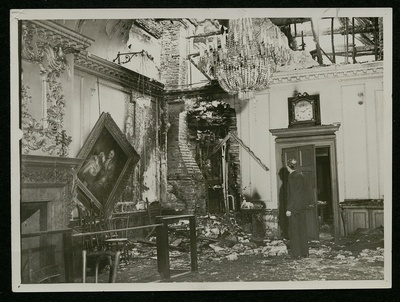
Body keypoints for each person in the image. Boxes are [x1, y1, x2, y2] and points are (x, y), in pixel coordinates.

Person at [285, 158, 309, 259]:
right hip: (302, 207)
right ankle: (305, 252)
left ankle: (296, 254)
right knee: (303, 229)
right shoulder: (302, 176)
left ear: (288, 166)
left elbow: (292, 194)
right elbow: (305, 192)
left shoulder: (291, 177)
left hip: (294, 207)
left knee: (294, 230)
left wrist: (289, 208)